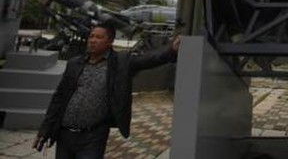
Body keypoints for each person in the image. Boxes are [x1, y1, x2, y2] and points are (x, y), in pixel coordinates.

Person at [33, 23, 181, 158]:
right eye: (91, 36)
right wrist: (45, 130)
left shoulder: (121, 63)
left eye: (99, 37)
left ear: (110, 42)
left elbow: (149, 59)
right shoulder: (74, 63)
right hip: (64, 134)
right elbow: (59, 98)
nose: (92, 40)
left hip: (93, 136)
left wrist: (171, 50)